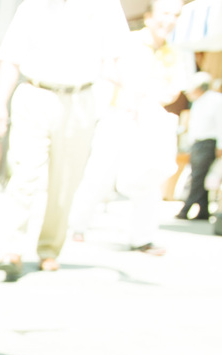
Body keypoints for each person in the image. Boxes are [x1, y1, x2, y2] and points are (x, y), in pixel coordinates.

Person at [0, 0, 131, 280]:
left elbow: (119, 56)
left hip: (81, 98)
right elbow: (11, 58)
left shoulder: (105, 6)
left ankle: (49, 249)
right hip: (35, 93)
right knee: (25, 174)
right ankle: (12, 249)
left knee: (65, 182)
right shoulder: (34, 6)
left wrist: (127, 97)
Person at [70, 0, 192, 255]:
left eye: (176, 14)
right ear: (149, 17)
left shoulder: (174, 53)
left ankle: (143, 238)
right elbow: (107, 69)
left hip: (150, 121)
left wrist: (149, 94)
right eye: (165, 13)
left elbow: (172, 90)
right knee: (99, 172)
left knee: (149, 176)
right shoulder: (129, 42)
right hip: (120, 115)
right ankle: (76, 226)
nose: (170, 19)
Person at [177, 72, 222, 220]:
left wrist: (220, 146)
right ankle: (203, 211)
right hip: (197, 143)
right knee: (199, 176)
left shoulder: (216, 100)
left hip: (209, 143)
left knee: (197, 177)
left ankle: (186, 209)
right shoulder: (198, 102)